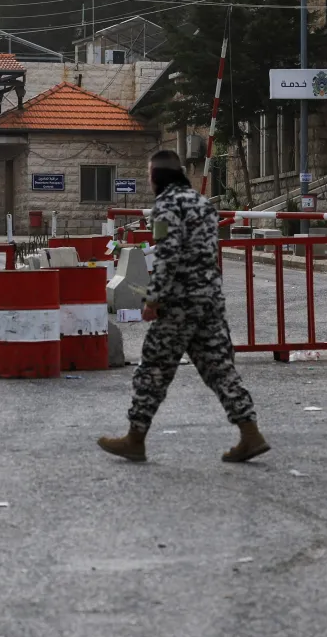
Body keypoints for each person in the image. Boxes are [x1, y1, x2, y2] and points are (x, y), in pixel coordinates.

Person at [98, 149, 269, 463]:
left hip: (179, 304)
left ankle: (135, 438)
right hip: (209, 300)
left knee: (152, 368)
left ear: (157, 177)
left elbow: (168, 255)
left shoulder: (166, 206)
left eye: (150, 175)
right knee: (220, 368)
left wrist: (153, 299)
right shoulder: (203, 203)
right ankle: (250, 432)